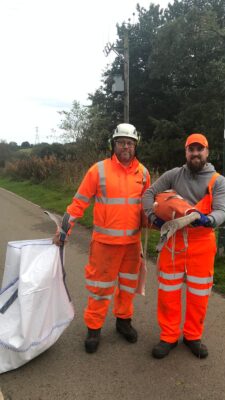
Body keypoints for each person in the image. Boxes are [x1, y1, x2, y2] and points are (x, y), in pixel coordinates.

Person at [53, 123, 150, 354]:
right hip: (105, 245)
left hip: (132, 245)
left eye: (130, 143)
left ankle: (123, 322)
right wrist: (65, 228)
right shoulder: (98, 170)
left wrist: (156, 218)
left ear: (135, 146)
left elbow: (146, 206)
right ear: (113, 145)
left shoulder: (143, 173)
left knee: (127, 287)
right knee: (100, 289)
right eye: (121, 142)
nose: (125, 147)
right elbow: (79, 202)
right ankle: (94, 328)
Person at [142, 133, 225, 359]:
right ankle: (168, 336)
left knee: (199, 294)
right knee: (168, 292)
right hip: (174, 243)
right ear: (186, 152)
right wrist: (152, 216)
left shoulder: (217, 181)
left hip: (202, 244)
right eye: (192, 149)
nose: (195, 153)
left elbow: (222, 211)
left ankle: (193, 336)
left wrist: (209, 220)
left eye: (200, 149)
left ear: (207, 152)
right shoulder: (173, 175)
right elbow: (149, 192)